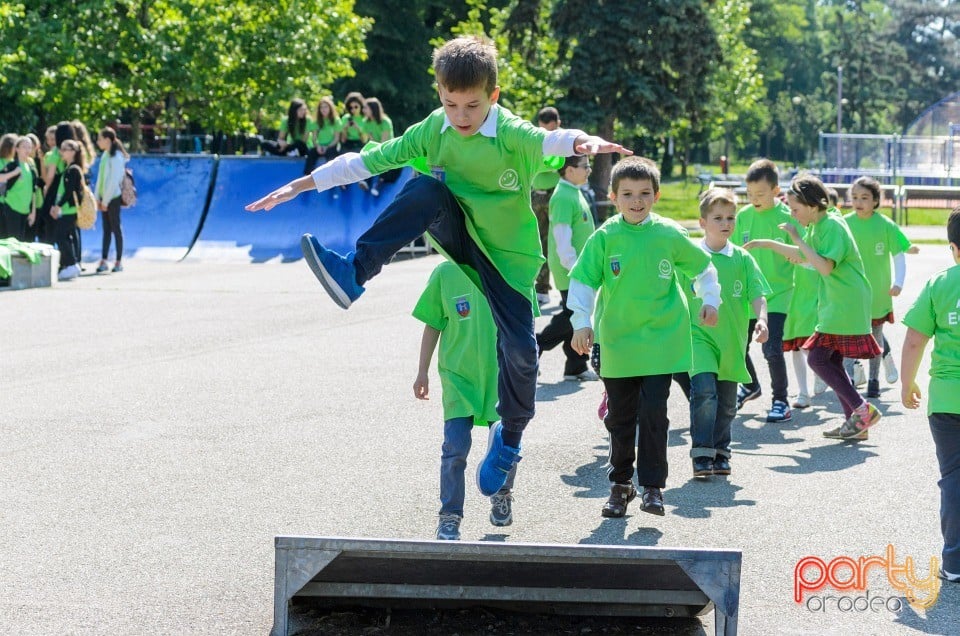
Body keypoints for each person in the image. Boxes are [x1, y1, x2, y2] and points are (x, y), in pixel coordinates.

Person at [245, 35, 630, 498]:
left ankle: (509, 438)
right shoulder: (433, 129)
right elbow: (369, 160)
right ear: (440, 96)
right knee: (424, 187)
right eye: (451, 105)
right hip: (462, 241)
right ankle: (355, 273)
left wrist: (582, 141)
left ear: (493, 96)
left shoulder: (507, 131)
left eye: (472, 106)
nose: (461, 118)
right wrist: (303, 184)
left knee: (522, 354)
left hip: (509, 264)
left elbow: (547, 139)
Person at [568, 157, 720, 517]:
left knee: (654, 415)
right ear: (613, 196)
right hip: (619, 343)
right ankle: (621, 485)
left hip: (661, 343)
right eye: (628, 194)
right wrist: (580, 321)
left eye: (644, 193)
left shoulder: (668, 234)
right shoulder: (604, 237)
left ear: (657, 195)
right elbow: (583, 282)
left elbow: (704, 268)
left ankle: (652, 487)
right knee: (620, 419)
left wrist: (709, 299)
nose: (636, 201)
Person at [745, 175, 881, 441]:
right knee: (831, 360)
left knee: (818, 358)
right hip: (836, 300)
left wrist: (796, 236)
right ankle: (856, 424)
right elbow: (804, 256)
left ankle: (862, 410)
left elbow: (824, 266)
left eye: (796, 209)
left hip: (846, 302)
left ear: (812, 204)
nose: (793, 215)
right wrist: (768, 244)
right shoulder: (817, 226)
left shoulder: (831, 225)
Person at [413, 262, 518, 540]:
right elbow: (432, 324)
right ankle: (450, 515)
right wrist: (422, 371)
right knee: (455, 448)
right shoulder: (445, 274)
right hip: (458, 377)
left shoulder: (505, 267)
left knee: (506, 443)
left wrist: (525, 369)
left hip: (499, 374)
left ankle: (502, 493)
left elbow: (524, 324)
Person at [685, 188, 770, 478]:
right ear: (702, 222)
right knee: (704, 393)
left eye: (731, 217)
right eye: (718, 217)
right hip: (699, 339)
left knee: (728, 403)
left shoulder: (743, 259)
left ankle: (721, 451)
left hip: (733, 343)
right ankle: (702, 453)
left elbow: (758, 294)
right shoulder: (692, 257)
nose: (726, 223)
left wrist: (762, 320)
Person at [901, 207, 960, 584]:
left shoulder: (941, 284)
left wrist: (907, 384)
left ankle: (954, 561)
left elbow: (913, 341)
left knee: (954, 478)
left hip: (946, 401)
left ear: (954, 248)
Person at [732, 159, 801, 423]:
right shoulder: (743, 217)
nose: (754, 199)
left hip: (778, 295)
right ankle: (750, 386)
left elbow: (801, 252)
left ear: (775, 190)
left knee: (771, 349)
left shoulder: (788, 218)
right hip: (748, 295)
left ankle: (780, 401)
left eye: (760, 194)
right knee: (738, 347)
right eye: (749, 194)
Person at [842, 176, 911, 398]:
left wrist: (898, 282)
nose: (858, 202)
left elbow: (898, 255)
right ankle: (850, 380)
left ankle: (874, 380)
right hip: (851, 292)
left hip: (878, 294)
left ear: (875, 201)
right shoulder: (844, 223)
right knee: (848, 336)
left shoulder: (885, 225)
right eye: (854, 197)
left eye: (864, 197)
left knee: (875, 337)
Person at [535, 155, 597, 382]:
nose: (589, 170)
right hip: (570, 269)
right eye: (585, 166)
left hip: (577, 269)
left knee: (576, 313)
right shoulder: (562, 196)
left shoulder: (572, 191)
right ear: (569, 170)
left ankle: (576, 365)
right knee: (573, 313)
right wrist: (575, 268)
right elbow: (562, 237)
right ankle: (535, 346)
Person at [531, 107, 561, 306]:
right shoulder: (534, 138)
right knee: (538, 243)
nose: (546, 134)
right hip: (536, 195)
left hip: (556, 196)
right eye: (543, 129)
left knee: (560, 244)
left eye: (550, 129)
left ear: (558, 123)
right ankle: (541, 288)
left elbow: (561, 165)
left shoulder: (564, 140)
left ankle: (567, 292)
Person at [94, 127, 130, 273]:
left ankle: (118, 261)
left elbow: (113, 181)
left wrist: (106, 201)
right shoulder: (105, 155)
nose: (98, 142)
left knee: (116, 229)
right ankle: (104, 259)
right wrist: (97, 197)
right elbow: (101, 178)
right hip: (104, 198)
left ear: (107, 140)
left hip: (112, 198)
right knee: (106, 230)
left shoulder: (116, 157)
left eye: (100, 139)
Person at [51, 139, 85, 281]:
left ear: (72, 152)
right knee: (65, 237)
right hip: (65, 210)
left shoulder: (73, 169)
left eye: (65, 149)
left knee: (60, 236)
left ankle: (71, 263)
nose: (61, 152)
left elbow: (69, 191)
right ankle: (70, 263)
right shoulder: (68, 168)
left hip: (69, 210)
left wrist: (58, 205)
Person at [0, 136, 38, 241]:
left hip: (25, 211)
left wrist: (33, 212)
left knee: (21, 242)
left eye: (29, 147)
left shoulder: (31, 169)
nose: (27, 150)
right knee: (12, 242)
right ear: (17, 149)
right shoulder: (13, 165)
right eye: (24, 147)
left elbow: (33, 192)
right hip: (11, 208)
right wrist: (14, 173)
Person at [360, 97, 398, 196]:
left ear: (373, 109)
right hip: (375, 147)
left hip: (388, 148)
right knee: (367, 157)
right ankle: (366, 181)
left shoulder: (385, 121)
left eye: (365, 108)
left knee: (382, 160)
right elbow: (369, 139)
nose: (363, 110)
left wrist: (375, 152)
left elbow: (384, 142)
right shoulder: (366, 122)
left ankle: (378, 184)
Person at [304, 97, 341, 175]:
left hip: (331, 146)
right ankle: (308, 175)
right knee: (311, 152)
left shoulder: (336, 120)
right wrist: (318, 146)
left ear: (330, 108)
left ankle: (333, 176)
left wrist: (327, 147)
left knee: (331, 154)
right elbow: (314, 138)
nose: (323, 109)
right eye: (321, 107)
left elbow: (336, 138)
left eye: (326, 107)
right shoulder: (316, 121)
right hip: (319, 146)